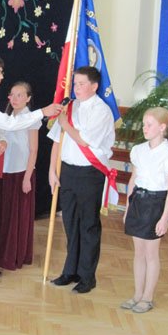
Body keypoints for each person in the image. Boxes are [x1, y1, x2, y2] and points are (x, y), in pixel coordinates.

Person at [0, 51, 63, 283]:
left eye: (1, 72)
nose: (1, 77)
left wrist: (2, 140)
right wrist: (42, 112)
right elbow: (7, 122)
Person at [48, 66, 115, 294]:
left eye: (81, 84)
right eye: (75, 84)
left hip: (89, 173)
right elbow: (57, 140)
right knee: (70, 222)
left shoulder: (102, 111)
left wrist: (65, 124)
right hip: (68, 171)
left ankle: (87, 276)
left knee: (88, 225)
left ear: (94, 86)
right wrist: (52, 170)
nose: (75, 88)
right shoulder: (69, 107)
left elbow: (84, 140)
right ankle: (70, 271)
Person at [120, 107, 168, 313]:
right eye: (144, 124)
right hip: (138, 201)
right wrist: (128, 208)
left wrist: (164, 218)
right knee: (138, 253)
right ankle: (137, 294)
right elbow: (133, 180)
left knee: (151, 254)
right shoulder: (139, 150)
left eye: (149, 125)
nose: (144, 128)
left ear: (162, 127)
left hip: (155, 204)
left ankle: (147, 297)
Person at [0, 81, 41, 270]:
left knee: (15, 217)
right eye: (12, 95)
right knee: (2, 215)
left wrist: (27, 178)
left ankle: (13, 255)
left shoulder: (31, 119)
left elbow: (33, 150)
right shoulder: (6, 117)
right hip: (4, 172)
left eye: (20, 95)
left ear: (28, 98)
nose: (15, 98)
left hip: (20, 173)